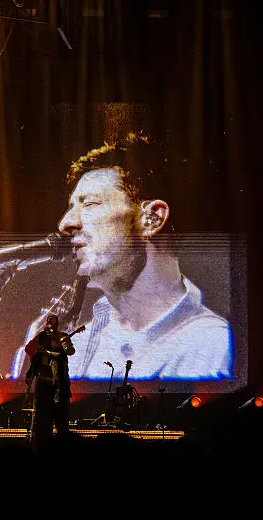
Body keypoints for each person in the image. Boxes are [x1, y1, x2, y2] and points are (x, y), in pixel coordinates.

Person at [52, 133, 232, 380]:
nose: (65, 223)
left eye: (90, 204)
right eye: (71, 207)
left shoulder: (210, 344)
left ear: (152, 218)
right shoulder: (79, 344)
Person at [25, 314, 75, 443]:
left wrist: (62, 345)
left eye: (53, 322)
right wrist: (31, 371)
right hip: (43, 384)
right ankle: (40, 445)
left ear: (58, 324)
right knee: (42, 420)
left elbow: (70, 351)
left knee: (61, 419)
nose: (50, 324)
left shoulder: (63, 336)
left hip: (60, 384)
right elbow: (30, 350)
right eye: (48, 321)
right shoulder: (41, 337)